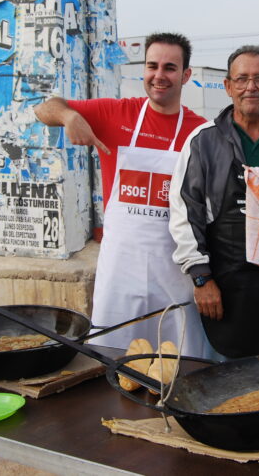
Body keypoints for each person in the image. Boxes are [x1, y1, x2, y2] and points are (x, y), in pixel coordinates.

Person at [33, 32, 212, 357]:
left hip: (174, 274)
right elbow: (45, 108)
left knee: (182, 363)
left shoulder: (201, 132)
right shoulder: (115, 113)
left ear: (186, 75)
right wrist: (69, 116)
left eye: (170, 68)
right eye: (152, 66)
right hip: (121, 271)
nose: (159, 75)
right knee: (113, 361)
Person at [169, 45, 259, 359]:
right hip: (227, 287)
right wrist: (201, 278)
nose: (251, 87)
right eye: (242, 79)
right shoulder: (203, 142)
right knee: (228, 384)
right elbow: (185, 214)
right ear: (227, 86)